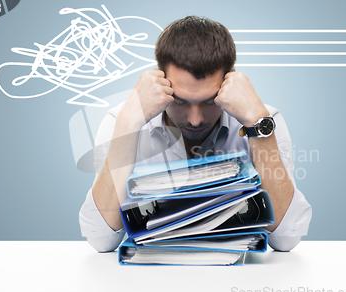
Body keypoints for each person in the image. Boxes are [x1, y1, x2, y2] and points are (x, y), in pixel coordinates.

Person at [79, 16, 312, 252]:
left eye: (210, 101)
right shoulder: (124, 120)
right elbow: (100, 239)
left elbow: (286, 238)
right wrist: (128, 125)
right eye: (179, 101)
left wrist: (258, 125)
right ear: (158, 80)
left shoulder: (263, 120)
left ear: (231, 80)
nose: (195, 119)